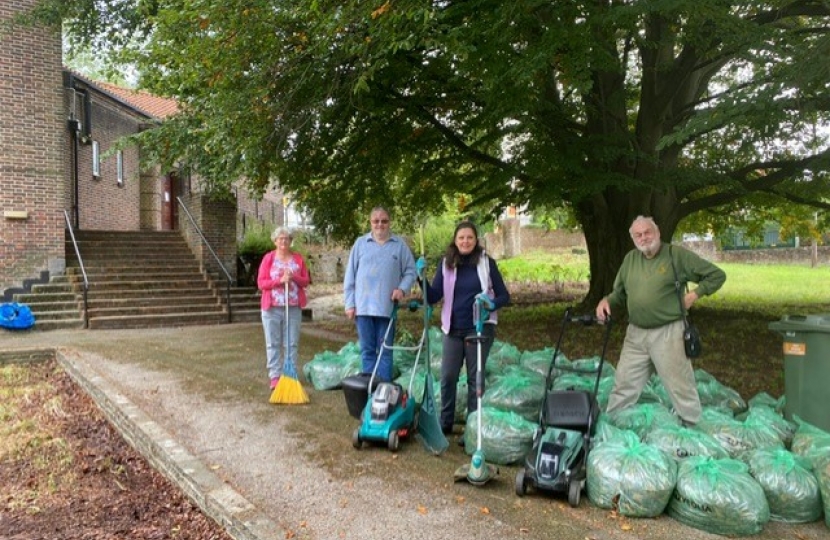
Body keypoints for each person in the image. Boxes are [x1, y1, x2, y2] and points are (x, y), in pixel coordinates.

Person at [595, 215, 726, 426]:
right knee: (624, 384)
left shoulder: (676, 256)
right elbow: (619, 293)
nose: (644, 238)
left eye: (648, 232)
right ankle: (613, 428)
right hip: (636, 334)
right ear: (633, 238)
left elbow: (716, 275)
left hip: (668, 333)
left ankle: (692, 431)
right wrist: (606, 301)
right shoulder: (630, 259)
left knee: (680, 386)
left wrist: (694, 295)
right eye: (638, 234)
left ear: (657, 233)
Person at [421, 221, 510, 436]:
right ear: (455, 240)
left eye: (469, 237)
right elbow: (433, 296)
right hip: (452, 329)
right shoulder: (446, 264)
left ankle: (472, 428)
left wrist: (491, 304)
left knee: (474, 379)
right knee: (448, 376)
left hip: (479, 328)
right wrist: (420, 277)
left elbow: (504, 296)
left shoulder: (486, 263)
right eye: (461, 238)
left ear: (476, 240)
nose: (465, 241)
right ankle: (445, 422)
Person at [343, 206, 417, 382]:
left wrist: (402, 289)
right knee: (367, 351)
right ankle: (370, 391)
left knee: (385, 351)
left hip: (386, 308)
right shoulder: (360, 243)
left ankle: (383, 390)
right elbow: (350, 276)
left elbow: (411, 271)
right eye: (376, 221)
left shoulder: (399, 246)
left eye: (384, 221)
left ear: (389, 222)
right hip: (363, 308)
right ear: (370, 223)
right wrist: (349, 304)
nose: (380, 224)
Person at [257, 227, 311, 391]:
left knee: (291, 342)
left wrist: (294, 276)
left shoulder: (298, 259)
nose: (283, 241)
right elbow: (261, 283)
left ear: (290, 241)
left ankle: (290, 373)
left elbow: (306, 281)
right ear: (275, 241)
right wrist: (280, 280)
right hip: (272, 308)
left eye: (286, 238)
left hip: (293, 307)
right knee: (273, 343)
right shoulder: (268, 258)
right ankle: (275, 376)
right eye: (280, 238)